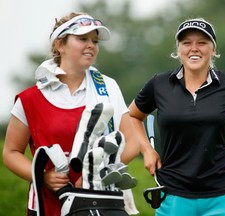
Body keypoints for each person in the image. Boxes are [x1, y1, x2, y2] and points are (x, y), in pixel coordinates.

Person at [129, 18, 225, 216]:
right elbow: (132, 116)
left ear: (213, 49)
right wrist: (146, 149)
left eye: (202, 43)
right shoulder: (159, 84)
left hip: (222, 196)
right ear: (179, 49)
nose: (194, 48)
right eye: (187, 43)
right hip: (173, 195)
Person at [3, 12, 139, 216]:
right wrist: (42, 176)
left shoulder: (108, 87)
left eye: (94, 40)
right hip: (47, 205)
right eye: (82, 39)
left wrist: (95, 175)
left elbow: (132, 143)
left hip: (101, 202)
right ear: (60, 44)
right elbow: (11, 153)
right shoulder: (30, 98)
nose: (91, 45)